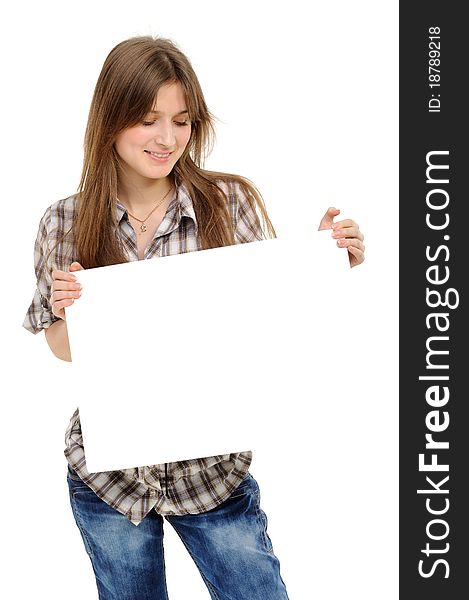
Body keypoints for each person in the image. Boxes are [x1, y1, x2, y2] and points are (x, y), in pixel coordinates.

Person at [23, 36, 365, 600]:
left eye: (181, 121)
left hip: (212, 471)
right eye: (147, 119)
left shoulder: (229, 202)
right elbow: (62, 349)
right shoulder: (64, 220)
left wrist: (324, 261)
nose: (167, 139)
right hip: (110, 478)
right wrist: (67, 312)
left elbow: (273, 317)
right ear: (110, 119)